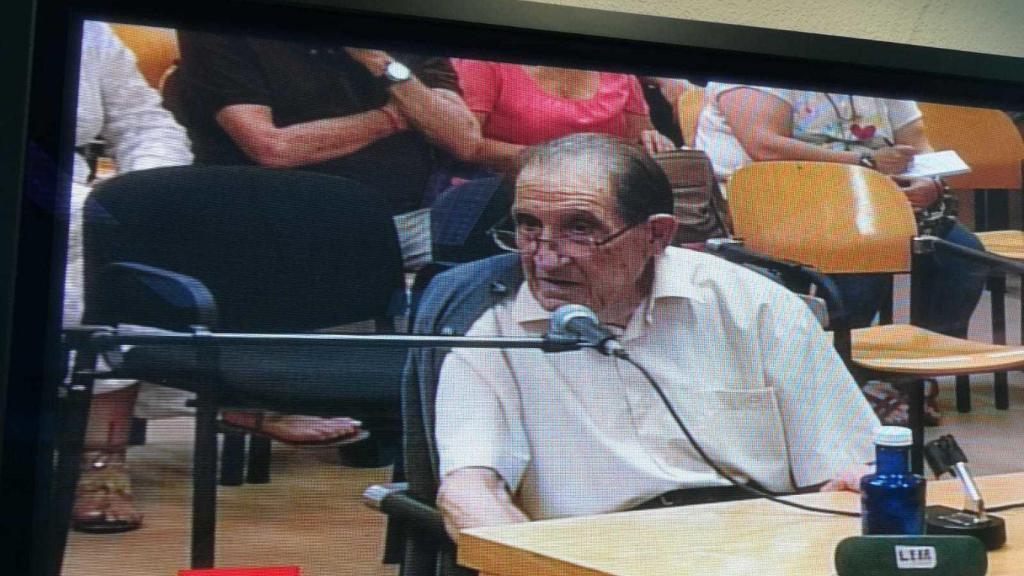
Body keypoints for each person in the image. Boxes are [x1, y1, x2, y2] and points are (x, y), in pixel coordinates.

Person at [433, 133, 879, 538]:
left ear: (657, 235)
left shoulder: (750, 304)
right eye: (529, 226)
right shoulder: (489, 327)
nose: (546, 260)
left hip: (756, 543)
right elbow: (468, 491)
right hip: (595, 552)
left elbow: (845, 464)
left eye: (580, 229)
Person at [67, 23, 365, 535]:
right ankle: (204, 405)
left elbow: (144, 125)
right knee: (78, 242)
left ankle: (213, 395)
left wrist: (142, 193)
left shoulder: (87, 34)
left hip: (73, 192)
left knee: (141, 225)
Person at [694, 85, 989, 425]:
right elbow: (764, 145)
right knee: (860, 258)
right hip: (787, 199)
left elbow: (919, 144)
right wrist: (863, 163)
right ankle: (846, 381)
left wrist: (930, 182)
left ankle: (905, 375)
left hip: (873, 199)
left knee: (963, 255)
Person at [173, 31, 481, 270]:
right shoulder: (221, 32)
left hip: (412, 222)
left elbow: (463, 139)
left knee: (498, 236)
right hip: (287, 224)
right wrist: (395, 117)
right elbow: (272, 148)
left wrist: (380, 63)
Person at [450, 60, 677, 174]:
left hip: (603, 191)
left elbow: (638, 140)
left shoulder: (617, 68)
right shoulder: (485, 62)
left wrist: (656, 142)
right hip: (505, 188)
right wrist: (564, 160)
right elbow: (468, 145)